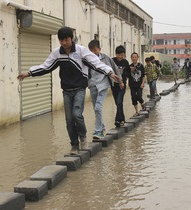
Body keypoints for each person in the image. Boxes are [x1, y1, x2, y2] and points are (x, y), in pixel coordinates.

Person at [17, 27, 120, 155]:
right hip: (66, 89)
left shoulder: (81, 51)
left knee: (77, 114)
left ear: (71, 38)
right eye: (61, 40)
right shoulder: (57, 53)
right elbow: (46, 66)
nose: (64, 43)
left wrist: (110, 72)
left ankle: (82, 137)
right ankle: (74, 145)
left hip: (79, 89)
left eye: (66, 39)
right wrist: (29, 73)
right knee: (69, 119)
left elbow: (96, 63)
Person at [87, 40, 124, 139]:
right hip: (93, 85)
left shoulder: (106, 58)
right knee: (96, 108)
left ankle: (98, 131)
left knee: (98, 107)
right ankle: (102, 128)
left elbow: (115, 69)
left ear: (99, 49)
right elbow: (86, 72)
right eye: (91, 51)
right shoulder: (87, 59)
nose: (93, 53)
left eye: (95, 50)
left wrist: (120, 82)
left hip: (103, 84)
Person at [112, 45, 131, 128]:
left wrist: (124, 80)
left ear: (124, 54)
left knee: (119, 101)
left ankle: (117, 120)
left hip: (122, 86)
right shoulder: (112, 61)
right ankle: (122, 119)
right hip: (114, 85)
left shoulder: (125, 62)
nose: (119, 56)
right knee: (118, 103)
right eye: (118, 54)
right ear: (116, 54)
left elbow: (128, 73)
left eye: (121, 55)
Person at [129, 52, 146, 116]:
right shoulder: (130, 66)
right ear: (131, 58)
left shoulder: (141, 66)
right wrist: (130, 71)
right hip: (132, 85)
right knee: (133, 97)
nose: (134, 58)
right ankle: (136, 111)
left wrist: (142, 83)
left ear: (137, 58)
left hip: (139, 84)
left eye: (135, 57)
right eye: (133, 57)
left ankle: (142, 103)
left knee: (139, 96)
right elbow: (127, 75)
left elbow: (143, 75)